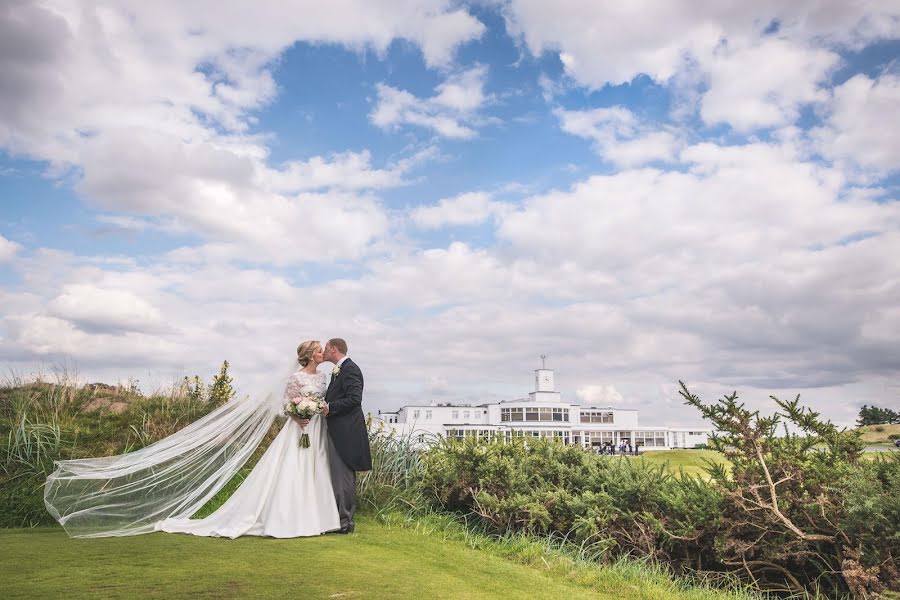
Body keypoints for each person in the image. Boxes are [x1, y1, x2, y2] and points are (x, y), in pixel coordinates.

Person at [44, 340, 342, 538]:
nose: (322, 353)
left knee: (315, 470)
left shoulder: (323, 379)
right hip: (298, 427)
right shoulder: (296, 377)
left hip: (316, 429)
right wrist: (298, 415)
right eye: (318, 350)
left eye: (322, 350)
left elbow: (320, 400)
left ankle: (317, 519)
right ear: (308, 355)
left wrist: (314, 412)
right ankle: (287, 519)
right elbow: (288, 404)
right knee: (291, 471)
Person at [321, 338, 373, 534]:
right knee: (338, 476)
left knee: (343, 477)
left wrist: (330, 407)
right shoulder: (338, 371)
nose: (324, 351)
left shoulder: (350, 369)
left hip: (346, 433)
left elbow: (354, 399)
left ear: (334, 349)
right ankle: (340, 520)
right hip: (338, 430)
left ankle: (345, 524)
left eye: (325, 348)